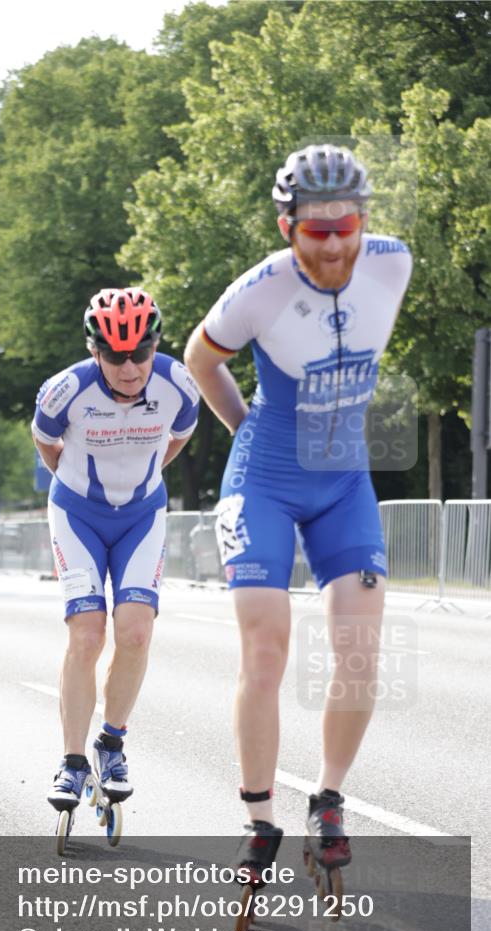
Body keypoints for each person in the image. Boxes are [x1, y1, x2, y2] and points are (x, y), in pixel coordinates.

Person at [184, 144, 412, 881]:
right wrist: (244, 427)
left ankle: (329, 798)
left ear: (362, 219)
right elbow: (198, 358)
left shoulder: (392, 263)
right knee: (267, 647)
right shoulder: (258, 290)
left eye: (344, 225)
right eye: (315, 231)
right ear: (287, 228)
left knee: (358, 651)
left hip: (343, 482)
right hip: (266, 482)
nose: (334, 243)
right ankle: (258, 819)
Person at [32, 287, 199, 819]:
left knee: (135, 631)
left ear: (154, 346)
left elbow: (180, 436)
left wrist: (145, 477)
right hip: (78, 513)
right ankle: (73, 761)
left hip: (141, 515)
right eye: (115, 356)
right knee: (86, 632)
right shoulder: (65, 391)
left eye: (140, 354)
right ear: (95, 350)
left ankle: (112, 742)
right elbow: (46, 443)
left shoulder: (179, 384)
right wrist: (77, 485)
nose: (129, 368)